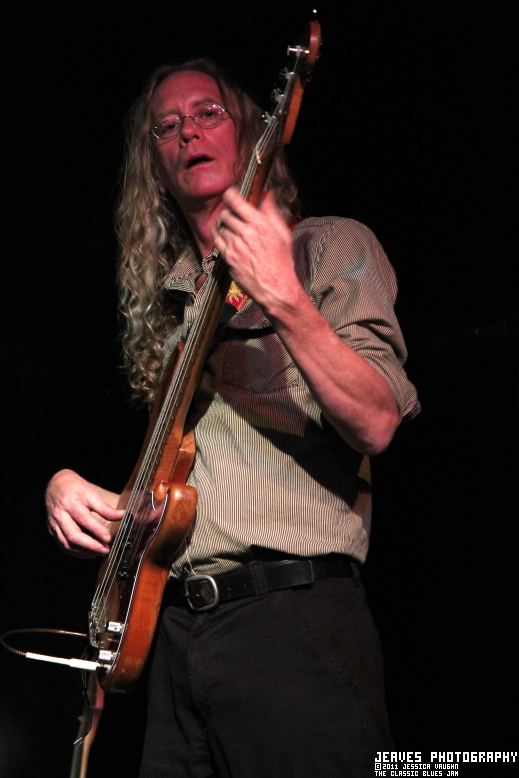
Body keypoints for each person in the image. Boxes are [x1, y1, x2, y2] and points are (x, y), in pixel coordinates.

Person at [46, 59, 420, 778]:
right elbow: (176, 496)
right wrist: (69, 488)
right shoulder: (176, 311)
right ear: (157, 172)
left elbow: (376, 421)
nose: (187, 131)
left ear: (252, 133)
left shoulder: (329, 246)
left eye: (207, 113)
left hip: (291, 624)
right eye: (166, 127)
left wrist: (284, 298)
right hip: (177, 640)